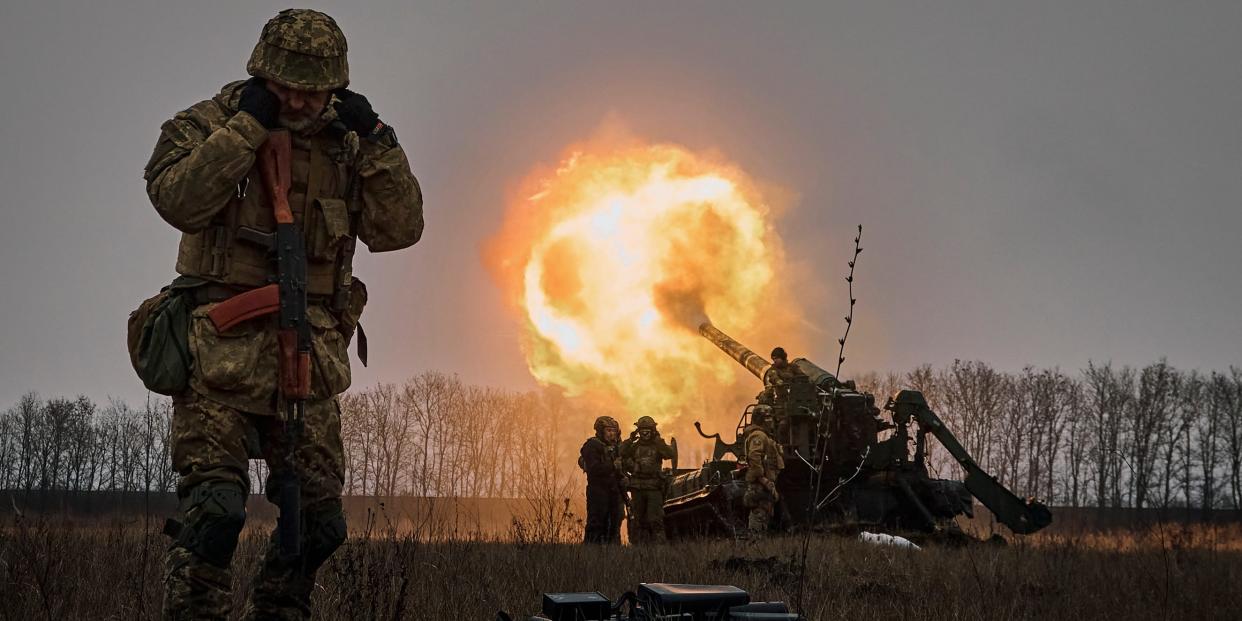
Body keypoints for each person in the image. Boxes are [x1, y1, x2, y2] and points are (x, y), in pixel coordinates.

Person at [143, 9, 423, 620]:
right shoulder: (209, 123)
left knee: (318, 526)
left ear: (336, 87)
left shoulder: (350, 143)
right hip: (219, 360)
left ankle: (279, 609)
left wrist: (379, 140)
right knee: (214, 517)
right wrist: (247, 129)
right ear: (262, 73)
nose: (297, 99)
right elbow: (177, 198)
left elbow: (401, 229)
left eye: (312, 88)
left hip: (310, 360)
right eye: (285, 85)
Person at [620, 416, 676, 543]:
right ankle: (640, 548)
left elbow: (670, 454)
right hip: (637, 487)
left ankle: (659, 548)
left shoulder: (657, 445)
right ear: (638, 432)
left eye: (648, 430)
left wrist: (659, 440)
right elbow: (621, 453)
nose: (645, 434)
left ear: (653, 431)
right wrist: (630, 440)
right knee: (639, 521)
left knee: (655, 520)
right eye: (642, 431)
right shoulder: (633, 446)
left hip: (654, 488)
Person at [580, 416, 625, 544]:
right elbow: (593, 469)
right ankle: (592, 553)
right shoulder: (592, 446)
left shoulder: (617, 447)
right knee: (597, 523)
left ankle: (613, 553)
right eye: (608, 430)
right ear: (601, 431)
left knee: (615, 523)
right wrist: (612, 466)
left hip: (615, 490)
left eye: (614, 431)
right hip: (598, 490)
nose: (612, 434)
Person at [743, 406, 785, 538]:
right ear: (762, 420)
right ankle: (754, 544)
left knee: (765, 512)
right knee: (759, 512)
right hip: (760, 484)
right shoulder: (758, 436)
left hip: (765, 483)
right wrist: (764, 480)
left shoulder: (763, 436)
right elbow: (754, 457)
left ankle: (758, 544)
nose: (772, 421)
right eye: (768, 418)